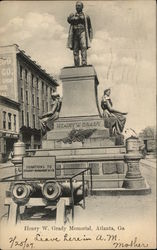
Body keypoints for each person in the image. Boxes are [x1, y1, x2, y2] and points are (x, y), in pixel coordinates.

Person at [67, 1, 93, 66]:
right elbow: (69, 20)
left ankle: (84, 63)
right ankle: (76, 64)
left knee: (83, 47)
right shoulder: (73, 15)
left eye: (78, 6)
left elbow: (89, 28)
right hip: (75, 33)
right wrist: (71, 17)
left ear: (82, 7)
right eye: (76, 6)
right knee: (75, 49)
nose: (77, 7)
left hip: (82, 32)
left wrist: (89, 38)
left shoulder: (86, 16)